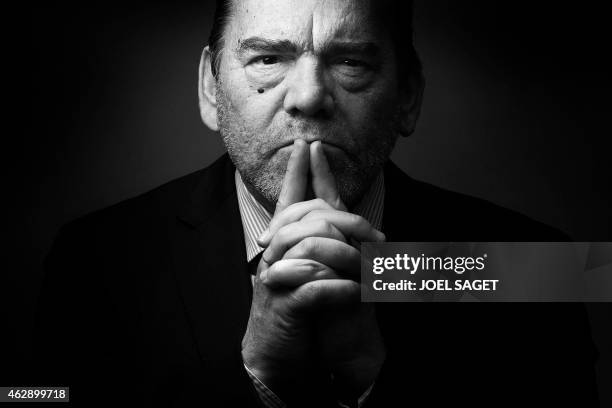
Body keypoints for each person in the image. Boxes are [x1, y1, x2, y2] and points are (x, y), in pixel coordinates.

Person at [34, 0, 599, 406]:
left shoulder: (535, 263)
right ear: (211, 88)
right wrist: (256, 375)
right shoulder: (93, 261)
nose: (307, 97)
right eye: (267, 59)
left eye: (351, 61)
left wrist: (372, 373)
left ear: (407, 95)